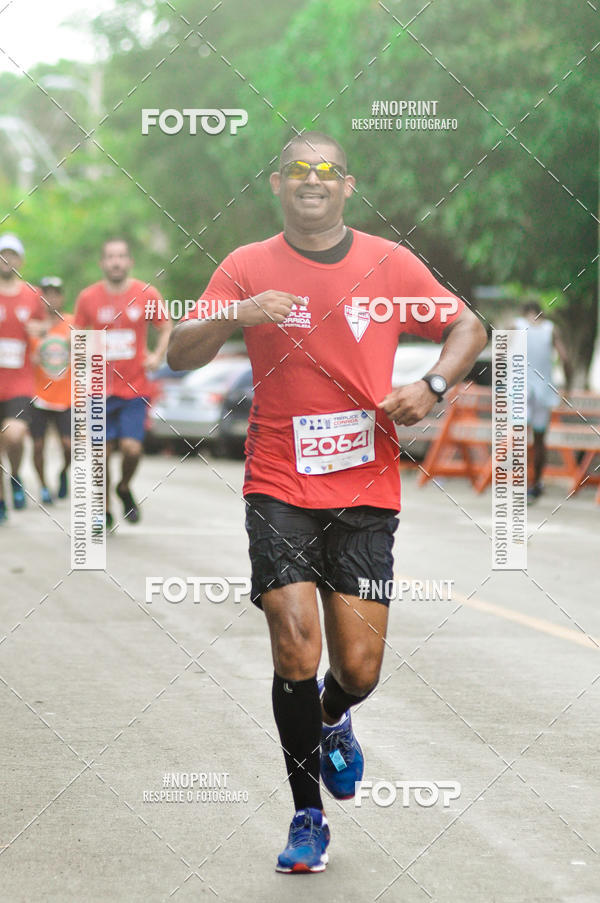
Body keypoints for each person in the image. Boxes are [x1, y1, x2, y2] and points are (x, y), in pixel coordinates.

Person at [167, 132, 487, 873]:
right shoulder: (247, 265)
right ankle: (307, 813)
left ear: (347, 184)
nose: (311, 181)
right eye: (297, 171)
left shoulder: (390, 260)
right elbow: (180, 352)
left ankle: (336, 715)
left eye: (326, 171)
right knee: (293, 643)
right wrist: (238, 314)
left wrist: (434, 385)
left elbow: (469, 324)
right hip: (277, 478)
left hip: (366, 485)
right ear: (277, 184)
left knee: (361, 666)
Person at [73, 239, 171, 527]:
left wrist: (157, 355)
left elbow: (165, 326)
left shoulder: (145, 293)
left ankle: (124, 487)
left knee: (132, 449)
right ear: (102, 263)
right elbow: (78, 335)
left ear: (129, 262)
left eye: (121, 257)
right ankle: (102, 509)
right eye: (110, 257)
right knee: (100, 453)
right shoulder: (88, 298)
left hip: (135, 389)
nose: (116, 262)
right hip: (98, 390)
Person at [0, 233, 45, 523]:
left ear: (21, 260)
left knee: (13, 435)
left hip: (19, 381)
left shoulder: (32, 294)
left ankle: (16, 474)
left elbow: (44, 331)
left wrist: (38, 338)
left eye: (12, 254)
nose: (7, 259)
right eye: (3, 254)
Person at [514, 301, 571, 502]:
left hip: (519, 390)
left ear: (524, 312)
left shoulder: (516, 326)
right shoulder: (550, 329)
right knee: (539, 441)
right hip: (544, 391)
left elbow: (500, 357)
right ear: (541, 313)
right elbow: (565, 358)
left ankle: (517, 482)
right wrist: (568, 387)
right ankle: (535, 484)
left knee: (517, 438)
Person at [29, 277, 73, 504]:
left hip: (65, 397)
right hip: (38, 396)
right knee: (38, 445)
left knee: (69, 446)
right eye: (46, 293)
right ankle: (44, 485)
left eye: (55, 293)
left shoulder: (72, 323)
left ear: (62, 297)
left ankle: (64, 472)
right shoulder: (32, 326)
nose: (51, 298)